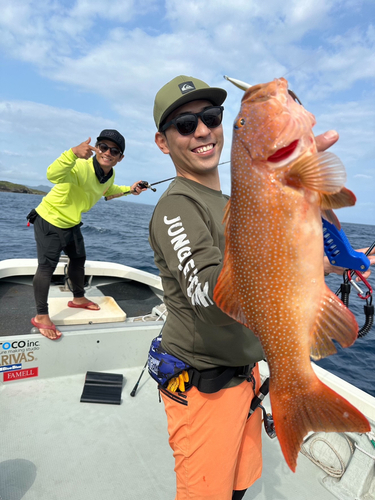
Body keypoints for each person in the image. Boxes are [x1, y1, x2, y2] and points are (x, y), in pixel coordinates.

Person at [148, 75, 375, 500]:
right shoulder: (175, 207)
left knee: (238, 489)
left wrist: (321, 258)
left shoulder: (235, 199)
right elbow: (209, 297)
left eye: (212, 118)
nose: (201, 130)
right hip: (202, 389)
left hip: (248, 378)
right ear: (163, 142)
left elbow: (272, 263)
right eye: (184, 124)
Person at [30, 129, 146, 340]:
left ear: (120, 158)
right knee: (46, 267)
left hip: (72, 222)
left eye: (114, 150)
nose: (108, 153)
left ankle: (79, 298)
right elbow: (52, 175)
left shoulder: (109, 174)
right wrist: (72, 153)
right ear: (96, 148)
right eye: (103, 147)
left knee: (78, 260)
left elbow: (108, 191)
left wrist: (130, 189)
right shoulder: (80, 166)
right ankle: (41, 315)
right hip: (50, 219)